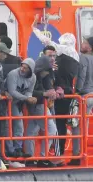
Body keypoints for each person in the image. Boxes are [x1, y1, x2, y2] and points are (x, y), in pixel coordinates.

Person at [32, 14, 79, 155]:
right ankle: (60, 151)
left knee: (58, 123)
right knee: (62, 123)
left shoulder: (66, 51)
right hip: (68, 92)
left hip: (60, 94)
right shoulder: (75, 55)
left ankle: (58, 153)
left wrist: (34, 28)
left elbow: (47, 42)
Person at [24, 56, 59, 167]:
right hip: (39, 105)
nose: (47, 73)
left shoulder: (35, 75)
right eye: (46, 71)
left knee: (31, 131)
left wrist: (50, 92)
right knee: (51, 129)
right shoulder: (35, 76)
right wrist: (46, 93)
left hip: (36, 105)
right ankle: (43, 158)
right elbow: (30, 91)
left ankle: (30, 158)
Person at [5, 58, 37, 158]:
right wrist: (27, 98)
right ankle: (9, 149)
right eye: (22, 66)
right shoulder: (13, 74)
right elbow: (12, 91)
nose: (22, 69)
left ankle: (18, 147)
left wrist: (28, 97)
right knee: (7, 125)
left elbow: (29, 91)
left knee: (19, 124)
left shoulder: (33, 77)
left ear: (30, 70)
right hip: (6, 101)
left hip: (18, 102)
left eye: (25, 68)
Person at [70, 37, 93, 165]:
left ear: (89, 47)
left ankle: (77, 154)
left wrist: (77, 91)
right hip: (92, 95)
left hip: (84, 95)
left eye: (84, 43)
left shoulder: (84, 58)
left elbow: (82, 75)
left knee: (76, 125)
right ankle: (83, 152)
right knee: (85, 124)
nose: (82, 44)